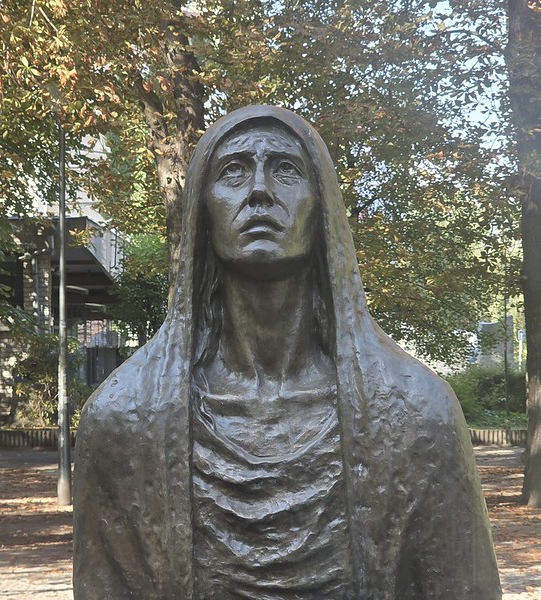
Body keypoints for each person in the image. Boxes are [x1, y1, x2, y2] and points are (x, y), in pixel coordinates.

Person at [73, 105, 501, 599]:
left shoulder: (418, 413)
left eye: (286, 170)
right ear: (202, 212)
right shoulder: (123, 419)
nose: (259, 190)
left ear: (321, 208)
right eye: (233, 171)